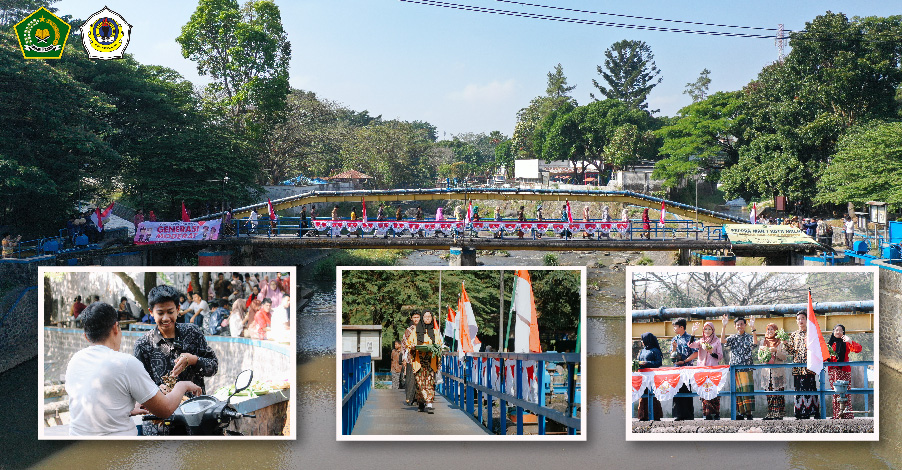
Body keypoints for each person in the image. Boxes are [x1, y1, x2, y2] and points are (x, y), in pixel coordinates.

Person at [65, 302, 201, 436]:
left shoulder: (75, 360)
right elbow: (165, 409)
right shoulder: (124, 363)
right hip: (117, 449)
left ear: (86, 336)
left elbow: (91, 406)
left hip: (78, 444)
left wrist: (126, 409)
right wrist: (182, 385)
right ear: (116, 328)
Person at [133, 285, 218, 435]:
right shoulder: (143, 345)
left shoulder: (193, 333)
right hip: (160, 426)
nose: (166, 318)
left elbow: (213, 367)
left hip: (195, 419)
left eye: (170, 312)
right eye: (160, 313)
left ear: (178, 309)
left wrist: (193, 359)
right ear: (151, 312)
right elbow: (137, 386)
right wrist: (156, 391)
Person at [783, 311, 821, 419]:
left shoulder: (811, 333)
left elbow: (817, 347)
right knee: (799, 388)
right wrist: (785, 344)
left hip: (809, 366)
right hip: (798, 367)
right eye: (799, 319)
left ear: (806, 320)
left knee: (811, 388)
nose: (801, 321)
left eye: (803, 318)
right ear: (796, 321)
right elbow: (791, 351)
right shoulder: (793, 335)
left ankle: (812, 411)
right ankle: (800, 412)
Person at [720, 314, 757, 420]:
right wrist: (724, 326)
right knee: (738, 390)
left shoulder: (749, 337)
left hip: (746, 367)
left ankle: (749, 413)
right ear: (735, 326)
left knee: (747, 389)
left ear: (745, 325)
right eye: (738, 325)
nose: (740, 326)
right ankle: (740, 412)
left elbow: (755, 343)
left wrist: (753, 328)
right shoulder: (733, 337)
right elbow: (722, 341)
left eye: (741, 324)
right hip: (735, 368)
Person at [405, 311, 441, 413]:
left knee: (430, 382)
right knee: (419, 383)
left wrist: (435, 348)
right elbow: (409, 343)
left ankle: (429, 403)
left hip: (430, 362)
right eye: (426, 316)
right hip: (419, 361)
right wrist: (413, 347)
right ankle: (421, 402)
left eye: (429, 316)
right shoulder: (415, 331)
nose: (428, 318)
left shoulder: (434, 332)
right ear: (423, 318)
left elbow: (439, 344)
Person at [827, 324, 862, 419]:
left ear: (843, 332)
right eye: (836, 330)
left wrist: (850, 341)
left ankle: (847, 415)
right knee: (835, 393)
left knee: (845, 393)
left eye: (840, 330)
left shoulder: (846, 343)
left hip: (844, 371)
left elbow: (858, 349)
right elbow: (823, 356)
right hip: (832, 372)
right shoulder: (830, 344)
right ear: (833, 332)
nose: (838, 332)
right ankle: (836, 415)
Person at [689, 322, 723, 419]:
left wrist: (711, 352)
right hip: (702, 370)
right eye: (705, 329)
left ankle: (716, 413)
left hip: (713, 370)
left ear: (713, 330)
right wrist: (693, 332)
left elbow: (720, 356)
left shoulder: (717, 341)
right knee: (704, 391)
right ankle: (706, 413)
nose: (707, 331)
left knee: (714, 391)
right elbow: (691, 345)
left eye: (709, 329)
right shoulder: (701, 341)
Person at [758, 322, 788, 420]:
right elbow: (759, 357)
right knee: (769, 393)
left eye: (772, 329)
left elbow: (784, 357)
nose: (770, 331)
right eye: (768, 329)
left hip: (777, 372)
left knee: (778, 393)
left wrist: (776, 351)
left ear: (776, 331)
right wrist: (764, 352)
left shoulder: (780, 342)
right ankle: (770, 414)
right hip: (767, 373)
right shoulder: (763, 342)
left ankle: (779, 414)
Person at [670, 318, 698, 421]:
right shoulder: (674, 339)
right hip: (677, 369)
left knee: (687, 390)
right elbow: (671, 354)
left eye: (675, 326)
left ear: (681, 327)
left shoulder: (690, 338)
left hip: (687, 369)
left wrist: (685, 361)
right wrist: (674, 348)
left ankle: (688, 415)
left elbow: (695, 353)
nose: (674, 329)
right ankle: (678, 414)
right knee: (676, 390)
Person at [636, 332, 663, 421]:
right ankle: (643, 415)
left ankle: (655, 415)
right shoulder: (642, 351)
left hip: (652, 377)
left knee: (652, 395)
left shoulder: (655, 350)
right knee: (642, 395)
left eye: (643, 340)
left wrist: (647, 363)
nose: (642, 342)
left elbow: (659, 362)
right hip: (642, 376)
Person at [402, 311, 421, 405]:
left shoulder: (424, 329)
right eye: (414, 317)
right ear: (411, 318)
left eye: (418, 317)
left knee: (420, 378)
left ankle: (419, 399)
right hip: (411, 357)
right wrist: (404, 358)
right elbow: (404, 345)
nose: (416, 319)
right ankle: (410, 399)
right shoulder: (408, 330)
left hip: (421, 358)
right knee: (411, 379)